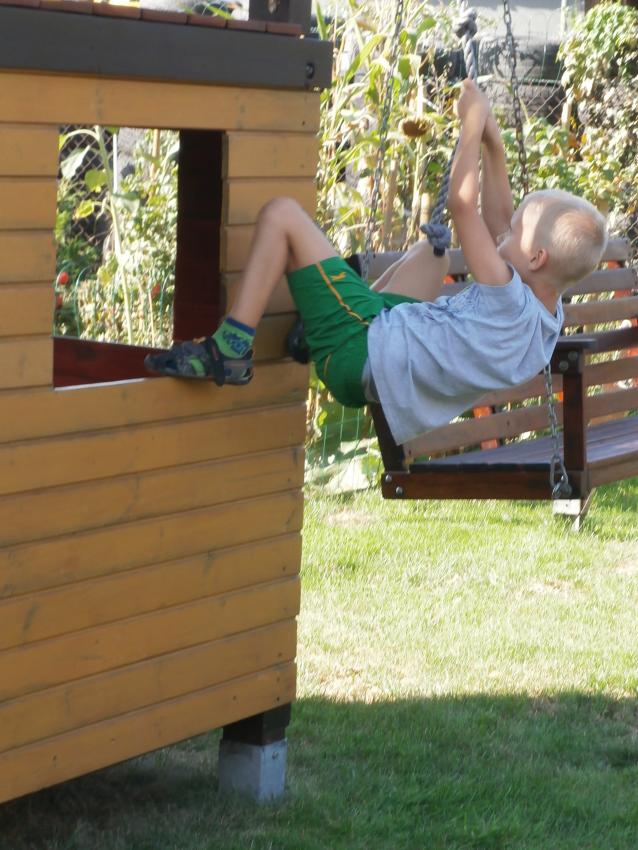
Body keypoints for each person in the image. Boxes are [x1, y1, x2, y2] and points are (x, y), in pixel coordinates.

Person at [145, 79, 608, 445]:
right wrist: (494, 144)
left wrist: (471, 124)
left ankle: (230, 349)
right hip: (387, 352)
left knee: (281, 214)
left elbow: (465, 206)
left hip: (359, 351)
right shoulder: (543, 315)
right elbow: (500, 220)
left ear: (536, 258)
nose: (504, 232)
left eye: (517, 230)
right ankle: (316, 323)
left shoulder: (507, 300)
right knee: (432, 254)